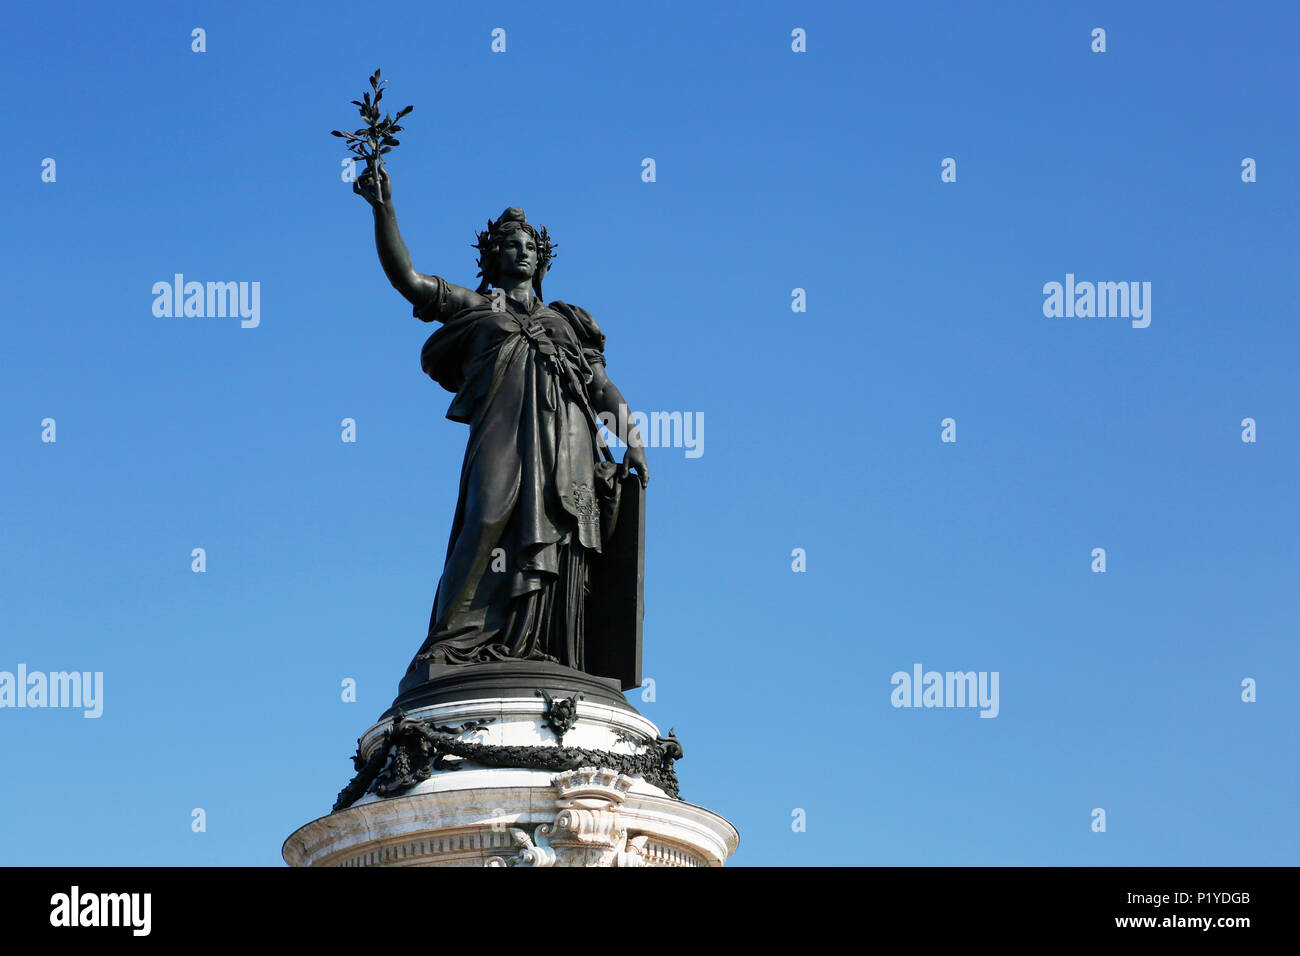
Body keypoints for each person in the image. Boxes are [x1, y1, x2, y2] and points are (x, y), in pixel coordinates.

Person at [354, 166, 648, 676]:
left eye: (531, 243)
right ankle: (448, 645)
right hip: (504, 435)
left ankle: (552, 651)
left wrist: (633, 438)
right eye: (511, 243)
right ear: (494, 257)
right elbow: (411, 281)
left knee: (563, 532)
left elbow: (600, 387)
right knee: (486, 515)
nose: (523, 249)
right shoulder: (478, 306)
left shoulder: (569, 321)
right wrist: (385, 211)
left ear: (543, 257)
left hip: (569, 444)